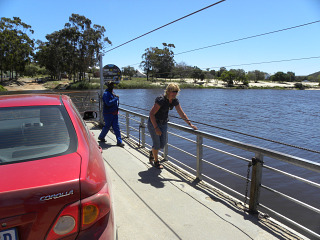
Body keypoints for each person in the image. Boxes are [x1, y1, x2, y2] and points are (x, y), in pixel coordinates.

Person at [148, 83, 197, 169]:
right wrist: (156, 128)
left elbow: (181, 113)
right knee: (157, 144)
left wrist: (190, 124)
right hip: (154, 123)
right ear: (168, 91)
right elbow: (151, 114)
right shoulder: (161, 100)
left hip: (163, 123)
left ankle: (152, 152)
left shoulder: (174, 101)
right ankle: (156, 161)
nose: (174, 93)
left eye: (176, 92)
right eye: (173, 92)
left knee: (162, 145)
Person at [98, 81, 124, 147]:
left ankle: (119, 141)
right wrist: (115, 98)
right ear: (108, 86)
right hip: (108, 114)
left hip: (114, 113)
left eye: (113, 85)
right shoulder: (106, 94)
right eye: (111, 85)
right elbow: (108, 103)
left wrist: (115, 97)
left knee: (116, 127)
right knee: (107, 126)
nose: (112, 86)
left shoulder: (112, 93)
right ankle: (101, 137)